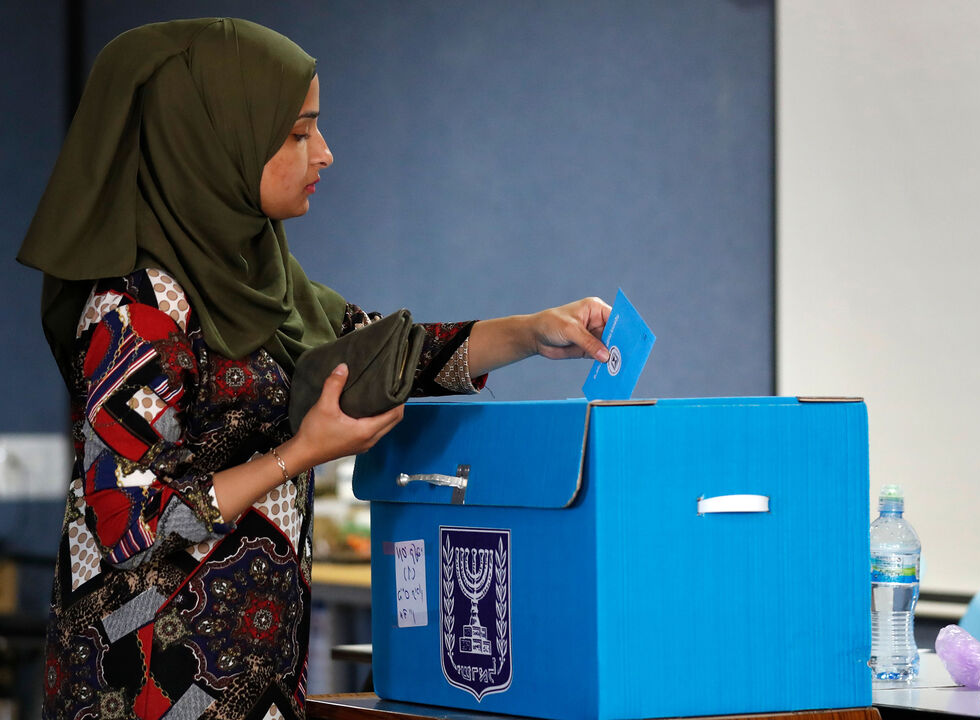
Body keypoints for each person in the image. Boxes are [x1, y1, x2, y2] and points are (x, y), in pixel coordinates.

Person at [16, 18, 612, 720]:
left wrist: (532, 331)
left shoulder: (263, 280)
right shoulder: (137, 307)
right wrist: (300, 454)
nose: (324, 154)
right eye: (298, 133)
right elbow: (126, 515)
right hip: (145, 678)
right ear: (214, 138)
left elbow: (388, 355)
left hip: (253, 666)